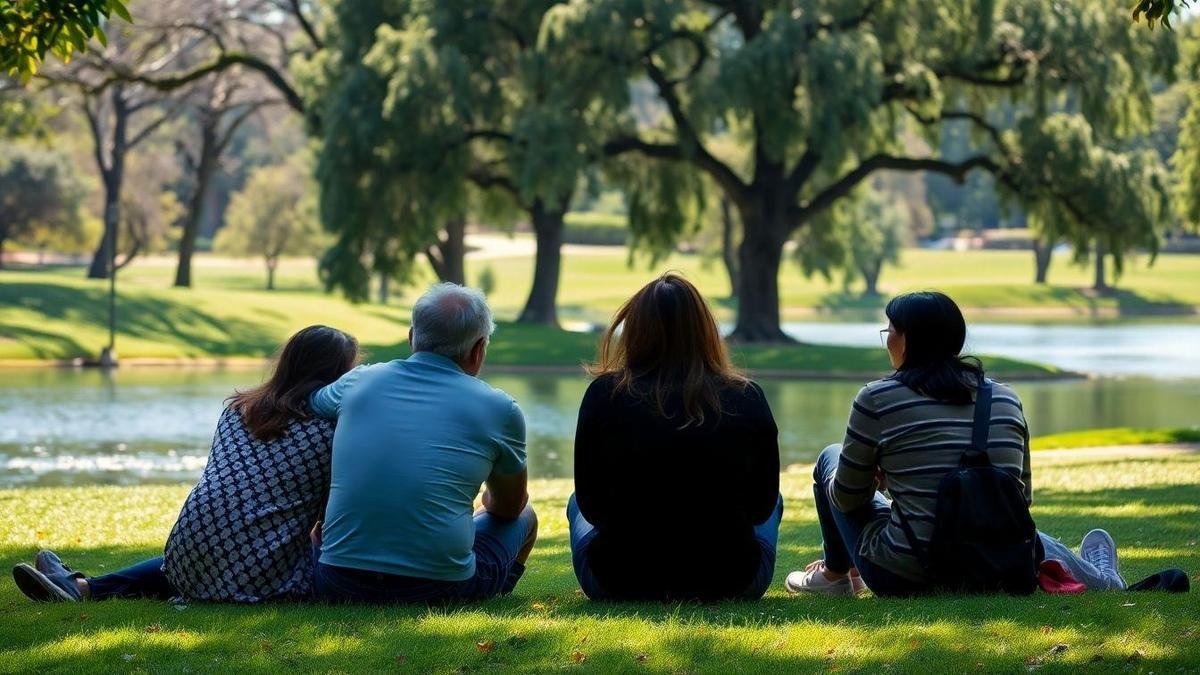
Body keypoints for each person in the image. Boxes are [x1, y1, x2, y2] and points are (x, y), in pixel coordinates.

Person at [784, 291, 1126, 597]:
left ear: (906, 342)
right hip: (993, 567)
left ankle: (835, 575)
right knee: (1024, 536)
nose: (886, 339)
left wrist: (885, 480)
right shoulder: (1005, 399)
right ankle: (1102, 578)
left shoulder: (876, 399)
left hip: (904, 573)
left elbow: (846, 498)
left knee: (832, 456)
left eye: (889, 331)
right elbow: (1020, 500)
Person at [12, 325, 360, 603]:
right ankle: (81, 586)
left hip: (188, 553)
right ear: (339, 376)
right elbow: (327, 518)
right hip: (265, 577)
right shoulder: (331, 429)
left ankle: (84, 587)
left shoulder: (238, 410)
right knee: (319, 547)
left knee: (225, 541)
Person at [309, 283, 536, 604]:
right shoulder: (500, 408)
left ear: (412, 336)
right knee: (526, 515)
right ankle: (493, 592)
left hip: (338, 582)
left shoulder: (358, 381)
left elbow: (306, 404)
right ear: (479, 348)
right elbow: (509, 506)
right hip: (439, 589)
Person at [568, 273, 781, 602]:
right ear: (705, 330)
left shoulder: (603, 395)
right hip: (732, 579)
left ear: (636, 330)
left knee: (573, 503)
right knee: (777, 501)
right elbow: (761, 507)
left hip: (619, 579)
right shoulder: (746, 397)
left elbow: (591, 507)